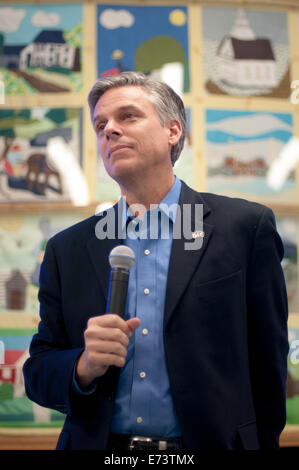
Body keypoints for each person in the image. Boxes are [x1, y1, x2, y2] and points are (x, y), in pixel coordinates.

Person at [23, 72, 289, 451]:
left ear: (173, 131)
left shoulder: (245, 228)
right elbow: (38, 373)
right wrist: (83, 366)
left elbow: (269, 364)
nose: (109, 130)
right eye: (101, 125)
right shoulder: (67, 249)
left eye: (128, 116)